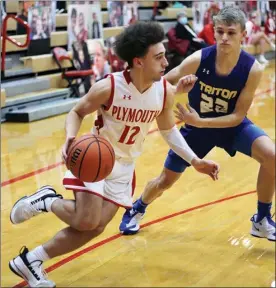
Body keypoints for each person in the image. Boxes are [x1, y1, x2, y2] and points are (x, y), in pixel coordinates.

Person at [8, 21, 219, 287]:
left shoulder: (164, 91)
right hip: (96, 158)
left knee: (96, 227)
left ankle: (31, 261)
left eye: (165, 54)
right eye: (159, 57)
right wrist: (70, 138)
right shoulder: (109, 87)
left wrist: (195, 160)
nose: (166, 62)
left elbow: (168, 131)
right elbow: (77, 111)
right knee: (86, 219)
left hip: (125, 166)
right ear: (138, 62)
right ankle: (47, 201)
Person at [119, 7, 276, 243]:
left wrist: (200, 120)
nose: (223, 37)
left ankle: (262, 219)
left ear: (243, 34)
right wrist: (173, 89)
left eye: (231, 33)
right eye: (220, 31)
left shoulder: (252, 68)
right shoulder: (199, 59)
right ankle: (138, 207)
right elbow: (162, 84)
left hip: (230, 127)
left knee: (272, 156)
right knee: (165, 181)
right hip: (196, 131)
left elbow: (237, 115)